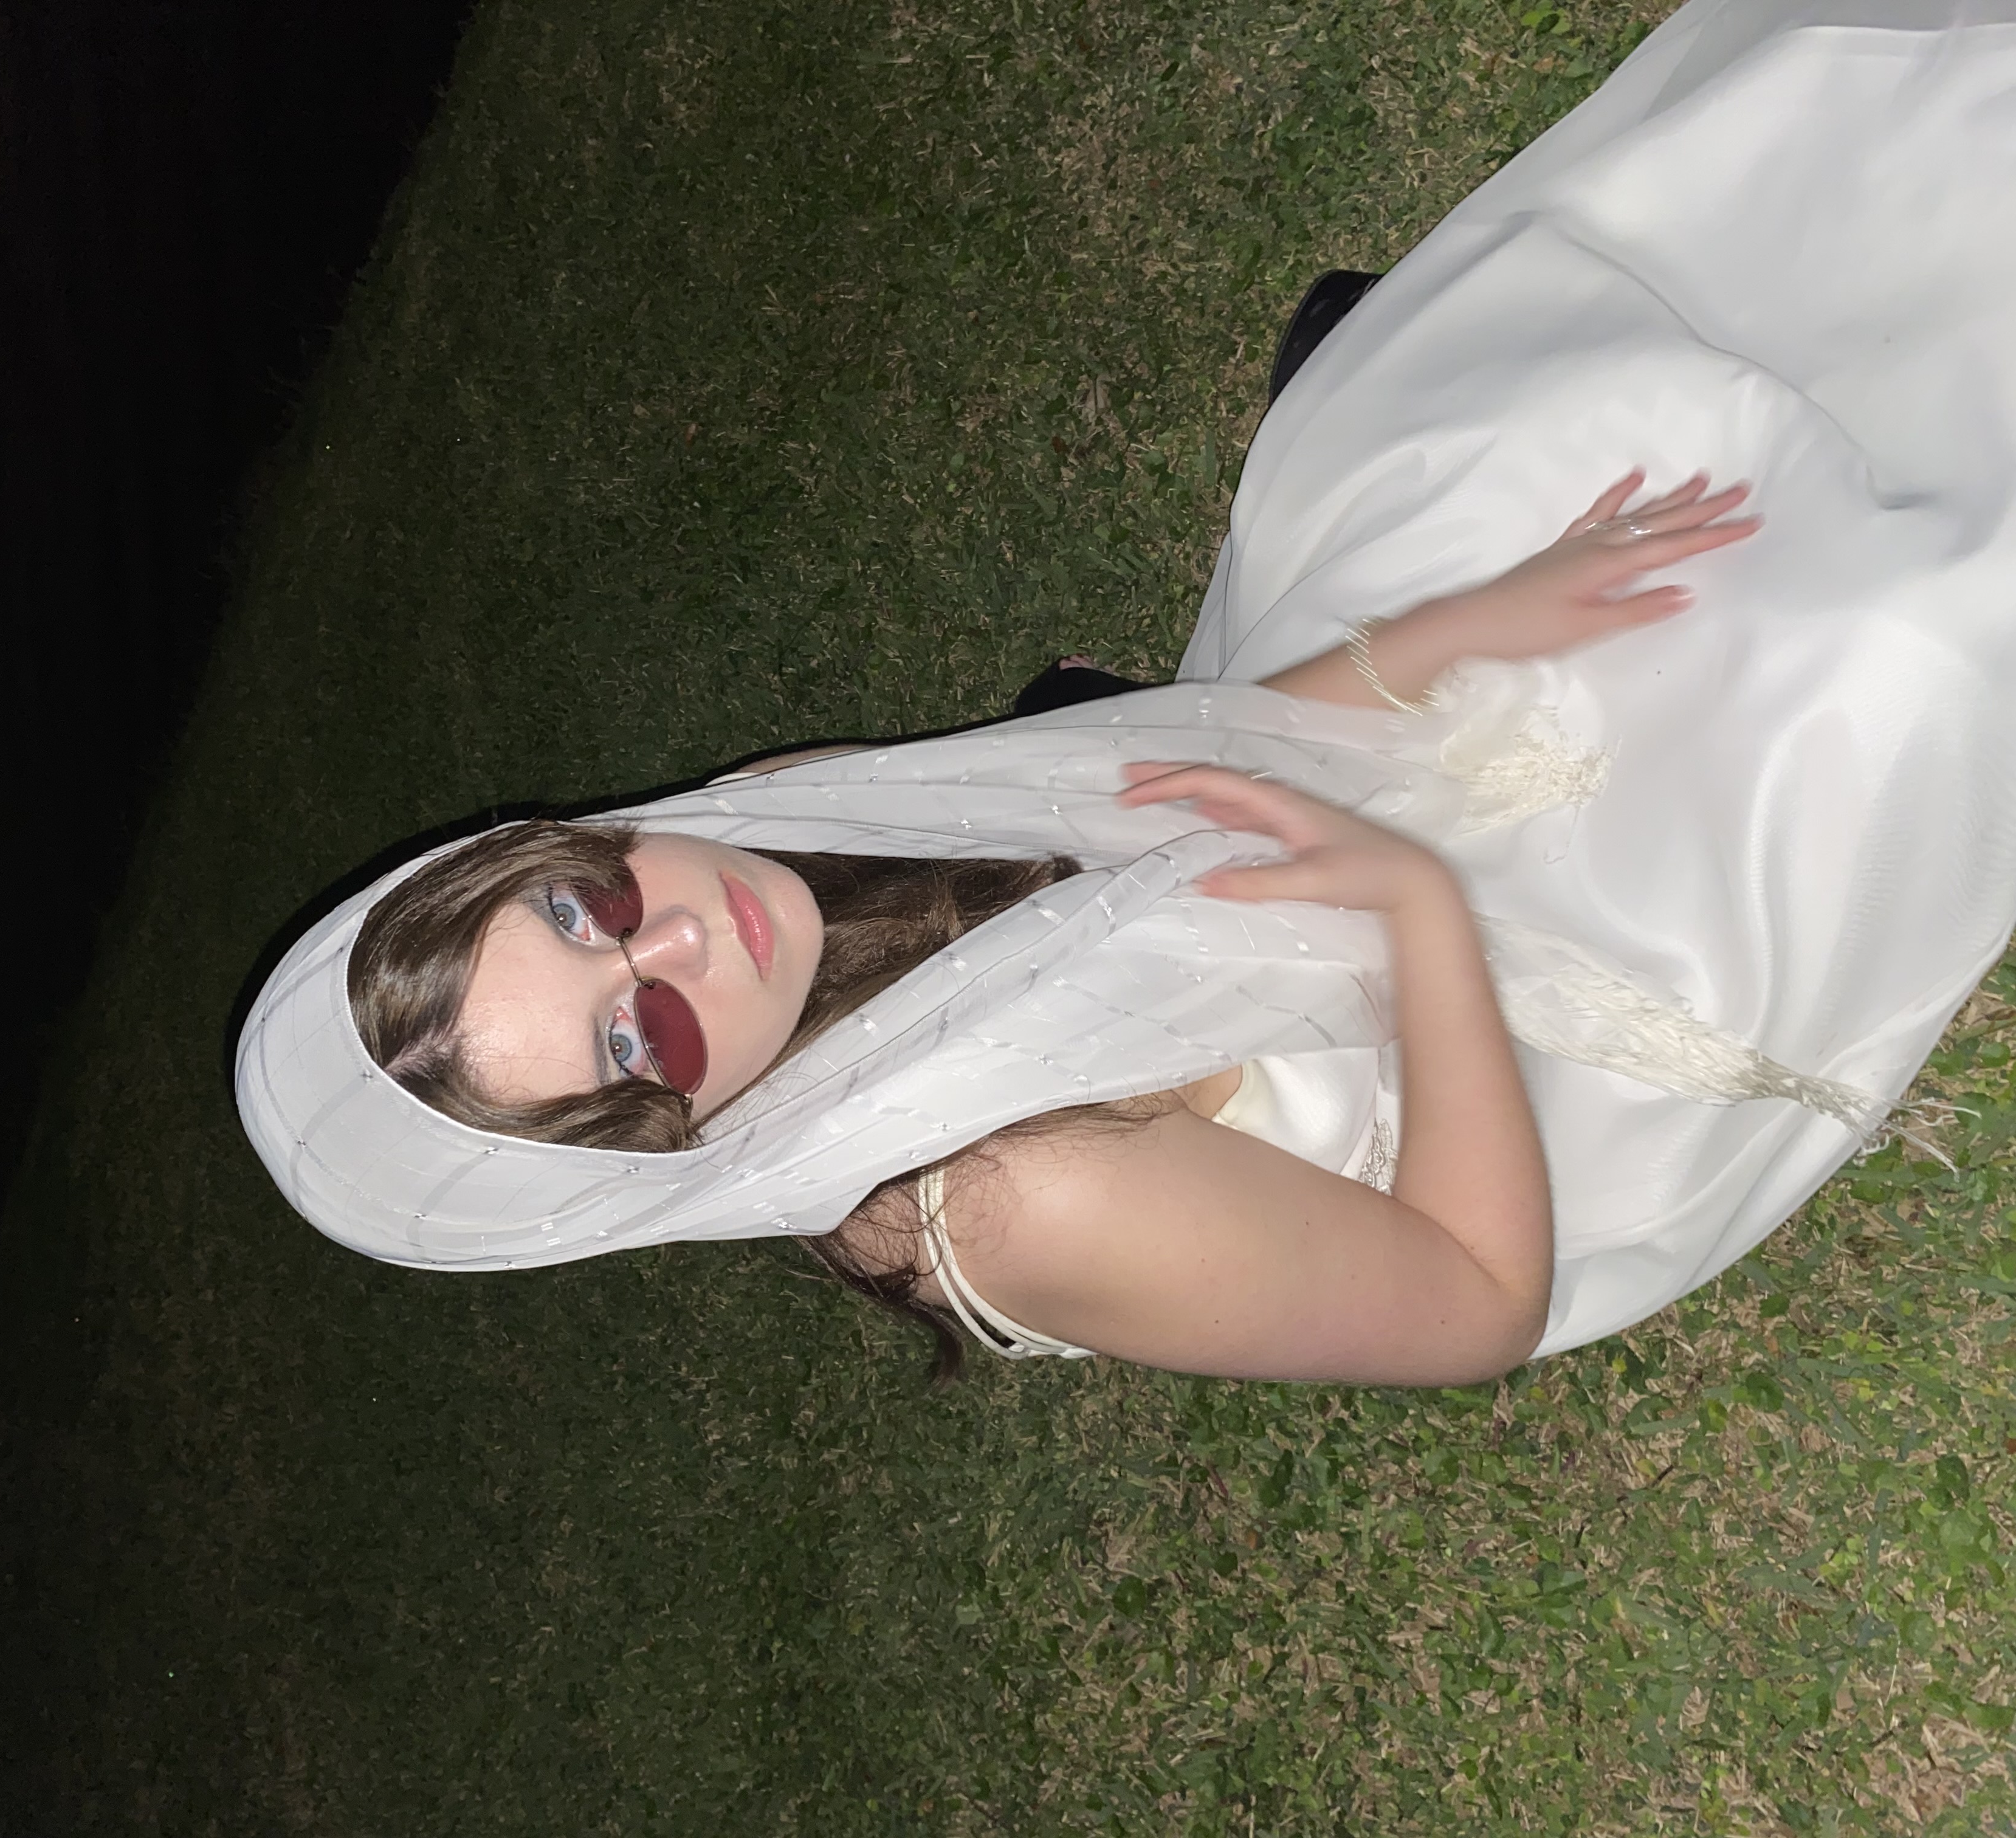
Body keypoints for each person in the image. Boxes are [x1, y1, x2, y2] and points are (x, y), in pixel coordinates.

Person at [236, 0, 2016, 1385]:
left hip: (1306, 834)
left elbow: (1203, 766)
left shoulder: (775, 814)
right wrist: (1416, 912)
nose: (684, 940)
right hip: (1484, 1061)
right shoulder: (1022, 1202)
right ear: (669, 1149)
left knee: (1564, 435)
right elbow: (1478, 1300)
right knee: (1885, 650)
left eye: (583, 902)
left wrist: (1472, 623)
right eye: (641, 1042)